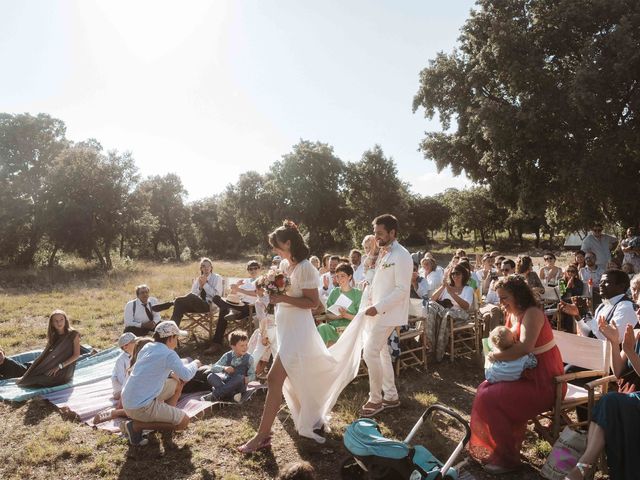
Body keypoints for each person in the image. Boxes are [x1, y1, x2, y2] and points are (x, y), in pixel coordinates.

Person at [238, 220, 368, 453]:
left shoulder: (307, 267)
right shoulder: (286, 266)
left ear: (288, 242)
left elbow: (314, 303)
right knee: (292, 377)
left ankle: (262, 436)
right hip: (286, 327)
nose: (275, 251)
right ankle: (310, 416)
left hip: (298, 330)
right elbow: (283, 291)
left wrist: (282, 298)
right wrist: (269, 291)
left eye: (277, 246)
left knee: (274, 378)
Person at [469, 275, 565, 474]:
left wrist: (494, 356)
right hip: (523, 375)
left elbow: (524, 348)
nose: (501, 302)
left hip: (545, 381)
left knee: (490, 397)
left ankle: (506, 458)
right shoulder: (511, 312)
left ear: (518, 295)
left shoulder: (532, 313)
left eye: (505, 298)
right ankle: (499, 448)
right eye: (500, 298)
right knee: (484, 389)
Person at [565, 307, 640, 479]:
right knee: (609, 402)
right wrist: (614, 343)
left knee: (609, 401)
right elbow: (619, 372)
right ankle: (586, 465)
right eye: (638, 305)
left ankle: (584, 467)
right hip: (628, 396)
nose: (639, 310)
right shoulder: (636, 333)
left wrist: (629, 351)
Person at [121, 321, 201, 446]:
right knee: (183, 422)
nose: (177, 341)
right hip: (140, 407)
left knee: (175, 384)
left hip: (128, 400)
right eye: (176, 337)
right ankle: (137, 426)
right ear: (170, 338)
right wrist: (195, 363)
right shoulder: (169, 354)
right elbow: (186, 375)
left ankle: (164, 416)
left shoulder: (148, 347)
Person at [0, 310, 81, 387]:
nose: (59, 322)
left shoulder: (73, 334)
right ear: (52, 323)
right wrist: (25, 375)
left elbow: (76, 355)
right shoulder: (53, 336)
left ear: (65, 320)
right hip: (52, 366)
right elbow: (42, 356)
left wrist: (59, 366)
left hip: (65, 371)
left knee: (31, 381)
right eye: (55, 320)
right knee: (25, 380)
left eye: (61, 319)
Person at [170, 257, 229, 352]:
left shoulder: (217, 278)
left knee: (181, 300)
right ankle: (172, 336)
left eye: (208, 266)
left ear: (211, 267)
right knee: (180, 303)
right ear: (201, 268)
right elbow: (193, 294)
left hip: (209, 305)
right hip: (196, 304)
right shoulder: (199, 279)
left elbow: (217, 296)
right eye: (203, 266)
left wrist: (205, 285)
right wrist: (200, 287)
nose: (206, 268)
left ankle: (172, 303)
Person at [571, 269, 637, 342]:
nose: (601, 285)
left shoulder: (626, 307)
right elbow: (591, 334)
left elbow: (613, 339)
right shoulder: (602, 306)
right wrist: (577, 315)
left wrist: (586, 313)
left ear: (621, 286)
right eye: (601, 282)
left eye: (606, 282)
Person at [427, 263, 475, 362]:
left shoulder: (468, 289)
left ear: (463, 275)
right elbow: (432, 299)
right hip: (444, 313)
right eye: (453, 274)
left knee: (447, 315)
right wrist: (444, 286)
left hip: (459, 315)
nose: (455, 276)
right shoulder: (447, 288)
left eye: (458, 274)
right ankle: (429, 345)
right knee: (430, 306)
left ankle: (438, 352)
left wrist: (452, 293)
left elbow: (466, 306)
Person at [201, 330, 255, 402]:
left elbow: (253, 375)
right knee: (210, 376)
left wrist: (247, 379)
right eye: (242, 345)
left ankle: (215, 395)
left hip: (239, 385)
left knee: (239, 377)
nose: (245, 348)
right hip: (227, 381)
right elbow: (213, 367)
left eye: (246, 345)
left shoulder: (249, 358)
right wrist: (224, 368)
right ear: (233, 346)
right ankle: (232, 395)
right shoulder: (227, 356)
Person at [317, 263, 363, 346]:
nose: (339, 279)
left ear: (350, 277)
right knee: (322, 327)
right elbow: (328, 315)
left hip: (350, 329)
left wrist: (346, 315)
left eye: (342, 276)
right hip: (334, 329)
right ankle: (325, 356)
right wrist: (338, 316)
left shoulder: (357, 293)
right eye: (337, 276)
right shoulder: (334, 292)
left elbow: (360, 317)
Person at [111, 332, 137, 400]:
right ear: (125, 347)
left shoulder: (138, 354)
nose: (137, 343)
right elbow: (121, 379)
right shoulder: (121, 360)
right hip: (121, 387)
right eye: (134, 342)